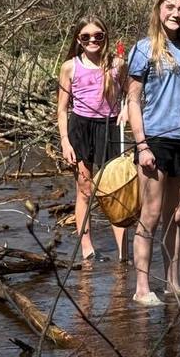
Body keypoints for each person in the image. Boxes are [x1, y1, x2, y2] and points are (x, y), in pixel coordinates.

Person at [127, 0, 180, 306]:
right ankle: (142, 288)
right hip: (155, 141)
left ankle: (173, 282)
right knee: (151, 215)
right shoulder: (144, 49)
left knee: (177, 216)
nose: (176, 14)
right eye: (170, 7)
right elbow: (132, 99)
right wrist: (141, 145)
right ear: (159, 11)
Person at [57, 14, 128, 263]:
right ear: (79, 39)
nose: (92, 40)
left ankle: (123, 252)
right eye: (86, 37)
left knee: (115, 189)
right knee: (85, 189)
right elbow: (62, 108)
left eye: (97, 36)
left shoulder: (117, 64)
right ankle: (87, 248)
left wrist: (127, 108)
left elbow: (131, 94)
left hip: (110, 127)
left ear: (104, 37)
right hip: (81, 127)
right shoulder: (70, 67)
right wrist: (65, 141)